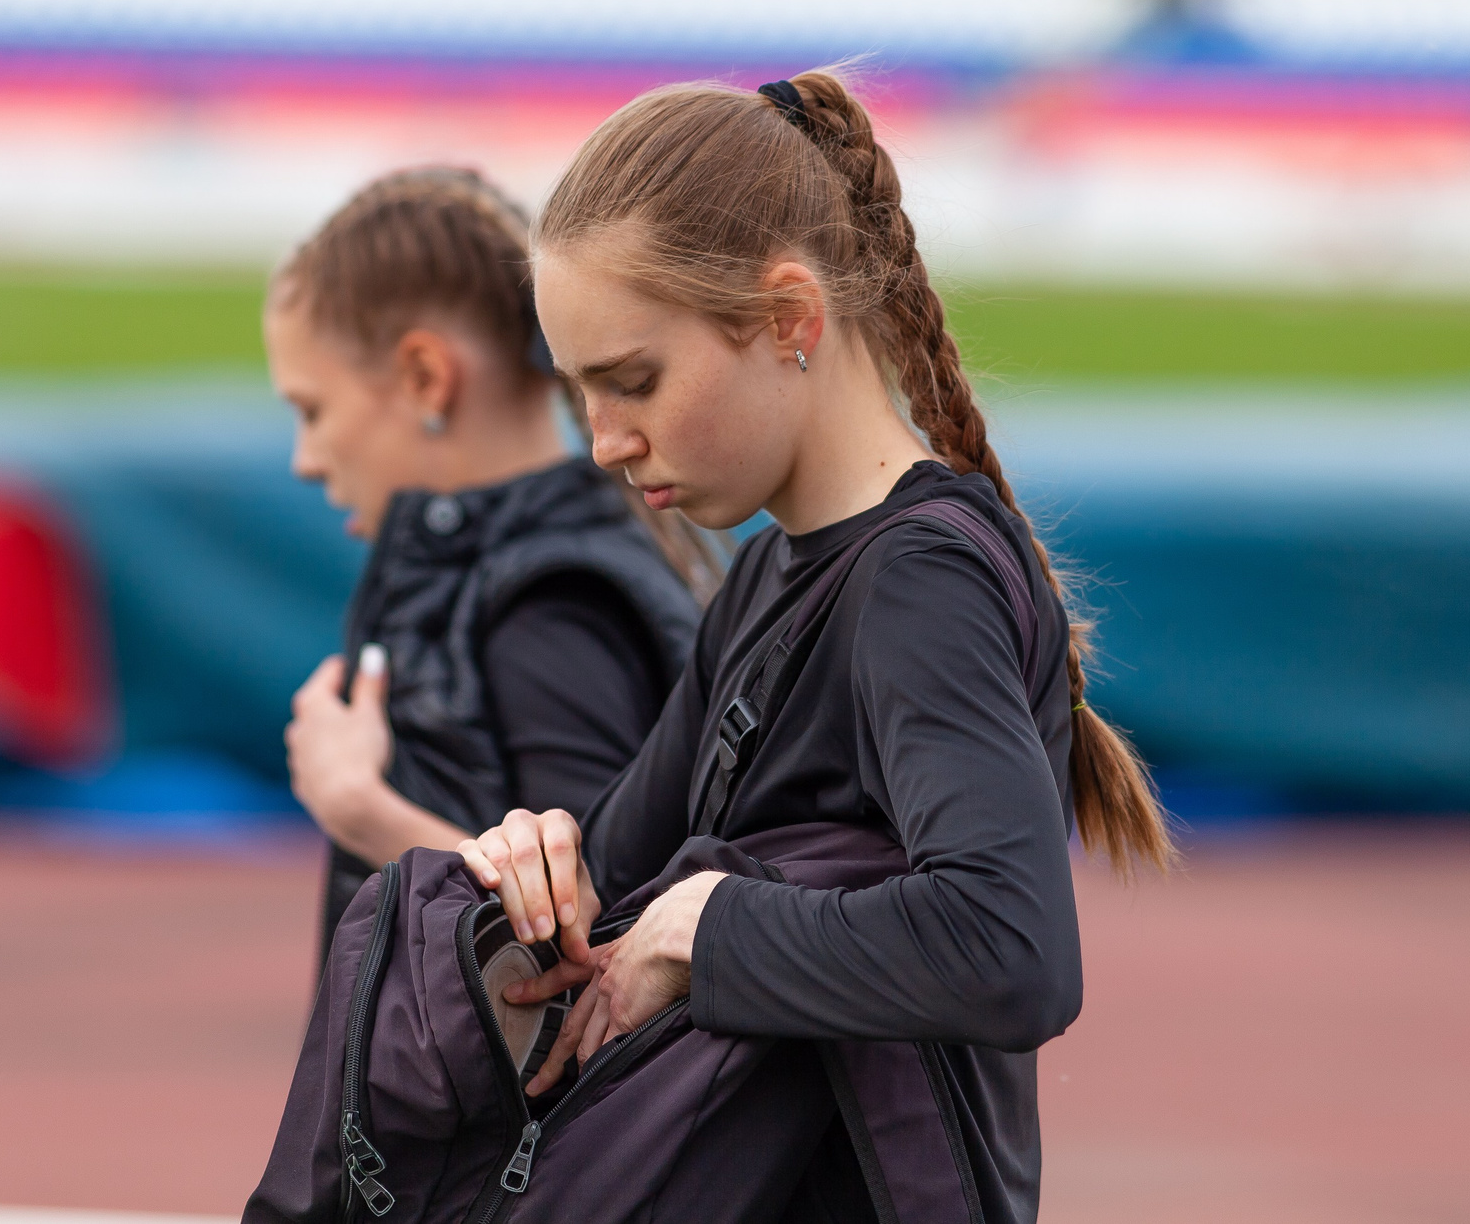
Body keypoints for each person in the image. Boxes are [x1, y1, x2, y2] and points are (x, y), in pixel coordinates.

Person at [457, 71, 1173, 1222]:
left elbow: (1010, 948)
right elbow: (623, 882)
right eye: (581, 394)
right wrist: (544, 857)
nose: (603, 441)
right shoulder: (769, 575)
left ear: (790, 317)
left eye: (632, 382)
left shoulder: (917, 584)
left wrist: (711, 926)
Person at [264, 167, 713, 955]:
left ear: (425, 377)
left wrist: (360, 806)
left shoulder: (551, 604)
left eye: (313, 409)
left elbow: (604, 930)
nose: (305, 459)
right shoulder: (523, 568)